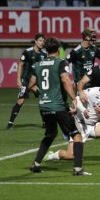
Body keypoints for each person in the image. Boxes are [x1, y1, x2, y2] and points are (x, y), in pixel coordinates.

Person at [28, 37, 89, 176]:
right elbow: (65, 80)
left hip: (44, 106)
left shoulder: (37, 65)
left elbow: (31, 85)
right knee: (77, 135)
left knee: (51, 133)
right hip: (59, 106)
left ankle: (36, 164)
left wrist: (43, 93)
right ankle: (78, 169)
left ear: (45, 49)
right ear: (58, 48)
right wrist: (74, 99)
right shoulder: (61, 62)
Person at [43, 77, 100, 164]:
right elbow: (76, 99)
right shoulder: (92, 92)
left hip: (92, 126)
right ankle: (52, 155)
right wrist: (84, 110)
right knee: (71, 156)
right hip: (78, 126)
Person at [6, 33, 47, 130]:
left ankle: (44, 122)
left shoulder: (44, 54)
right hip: (26, 80)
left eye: (43, 41)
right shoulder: (27, 52)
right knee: (20, 101)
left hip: (36, 82)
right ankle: (10, 123)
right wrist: (18, 80)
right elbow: (20, 65)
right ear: (36, 41)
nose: (42, 43)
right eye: (40, 40)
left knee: (43, 100)